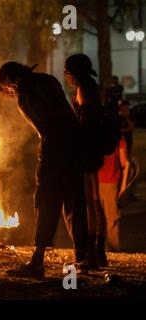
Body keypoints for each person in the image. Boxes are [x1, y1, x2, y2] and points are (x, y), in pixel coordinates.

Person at [0, 62, 89, 277]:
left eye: (7, 86)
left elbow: (44, 126)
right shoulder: (48, 79)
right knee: (74, 201)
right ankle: (84, 257)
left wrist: (45, 148)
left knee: (46, 201)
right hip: (74, 147)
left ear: (11, 80)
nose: (9, 91)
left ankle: (37, 261)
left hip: (54, 150)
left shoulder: (25, 95)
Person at [64, 54, 107, 269]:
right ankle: (98, 254)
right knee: (95, 202)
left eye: (67, 72)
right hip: (93, 152)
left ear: (73, 73)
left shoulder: (83, 90)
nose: (66, 77)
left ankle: (92, 254)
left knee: (90, 204)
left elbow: (86, 122)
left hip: (88, 154)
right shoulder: (91, 87)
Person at [98, 137, 129, 255]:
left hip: (110, 182)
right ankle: (99, 249)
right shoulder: (96, 132)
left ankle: (112, 249)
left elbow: (125, 163)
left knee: (111, 218)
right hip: (96, 180)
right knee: (98, 219)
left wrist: (123, 186)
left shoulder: (118, 138)